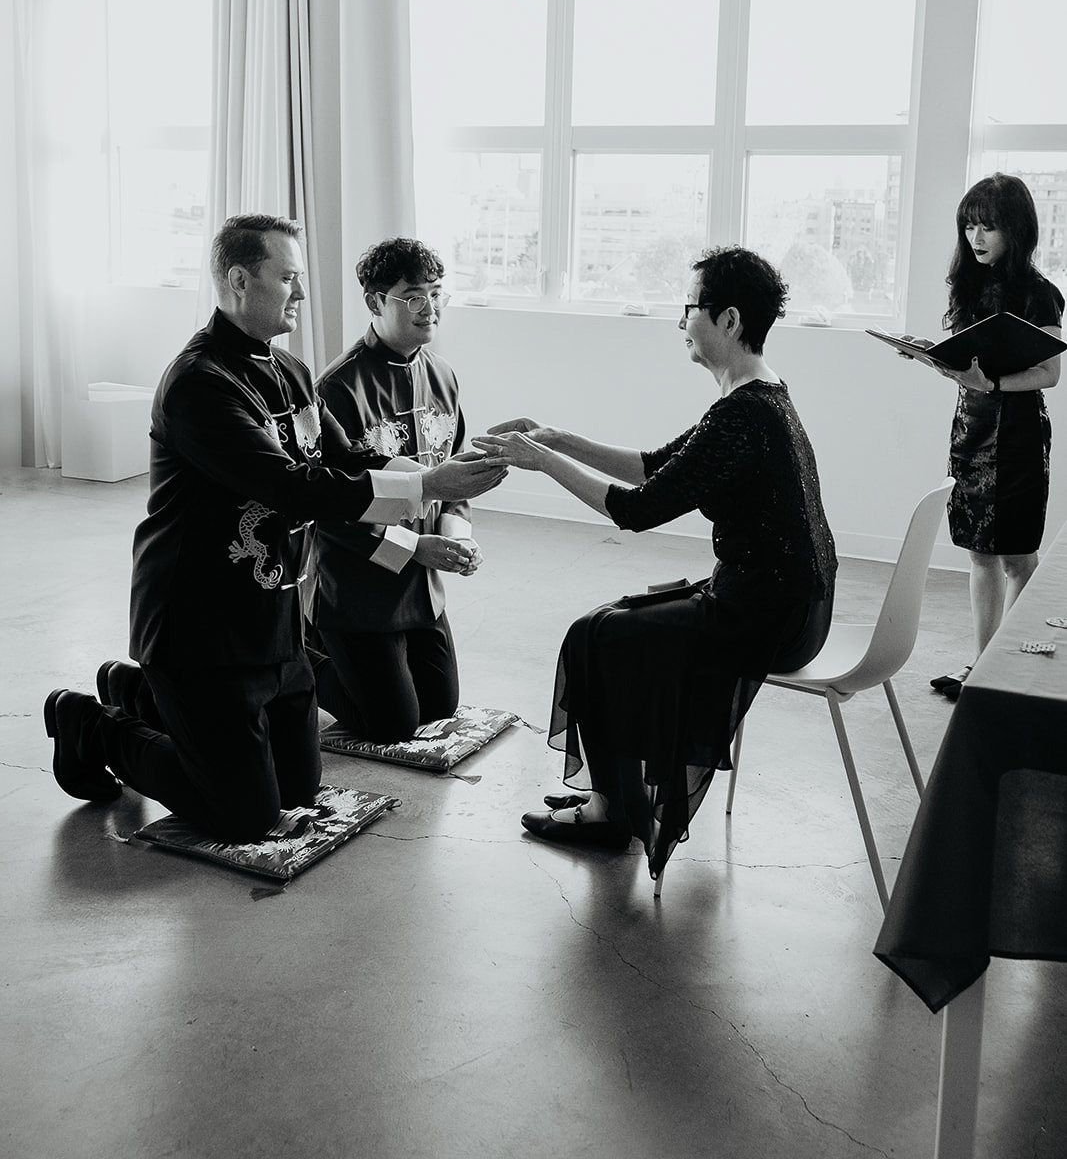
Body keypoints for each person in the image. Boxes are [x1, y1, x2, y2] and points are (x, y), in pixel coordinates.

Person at [43, 214, 506, 842]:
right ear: (239, 282)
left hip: (275, 621)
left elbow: (345, 460)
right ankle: (90, 725)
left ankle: (137, 692)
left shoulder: (288, 369)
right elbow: (293, 487)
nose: (302, 293)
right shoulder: (199, 384)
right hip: (200, 625)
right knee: (246, 817)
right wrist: (426, 487)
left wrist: (439, 473)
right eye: (288, 278)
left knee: (299, 790)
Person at [473, 247, 837, 882]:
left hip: (768, 617)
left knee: (600, 634)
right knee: (612, 627)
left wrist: (541, 463)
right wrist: (558, 438)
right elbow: (655, 466)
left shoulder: (744, 412)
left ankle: (611, 813)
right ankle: (613, 800)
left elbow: (636, 509)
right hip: (788, 605)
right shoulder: (759, 395)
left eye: (689, 310)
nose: (681, 324)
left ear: (726, 319)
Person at [306, 238, 480, 742]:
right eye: (412, 296)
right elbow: (330, 510)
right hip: (359, 587)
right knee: (390, 725)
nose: (430, 308)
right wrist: (415, 546)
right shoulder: (336, 389)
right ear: (375, 302)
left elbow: (455, 476)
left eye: (436, 293)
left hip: (421, 587)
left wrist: (457, 537)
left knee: (439, 707)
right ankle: (298, 659)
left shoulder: (443, 375)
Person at [924, 175, 1063, 700]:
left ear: (1016, 229)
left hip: (1020, 434)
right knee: (978, 553)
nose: (975, 235)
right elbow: (967, 363)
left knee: (1017, 556)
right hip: (971, 428)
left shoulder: (1042, 294)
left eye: (988, 225)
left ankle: (1003, 669)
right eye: (969, 223)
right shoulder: (968, 285)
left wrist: (995, 382)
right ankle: (981, 669)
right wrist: (938, 359)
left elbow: (1049, 373)